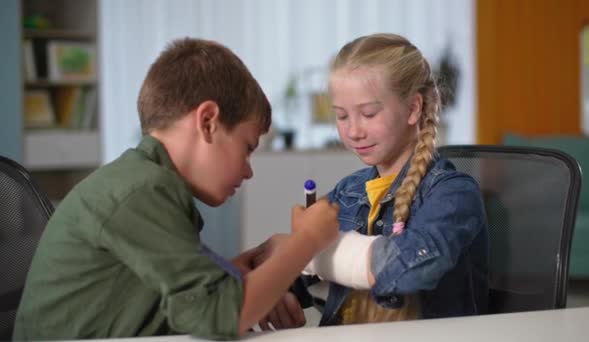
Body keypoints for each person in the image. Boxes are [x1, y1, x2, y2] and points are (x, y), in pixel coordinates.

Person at [13, 37, 339, 340]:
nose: (248, 170)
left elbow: (181, 299)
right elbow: (217, 314)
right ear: (208, 121)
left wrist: (249, 277)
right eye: (247, 147)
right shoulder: (141, 190)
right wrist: (307, 241)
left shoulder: (146, 181)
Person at [296, 33, 488, 325]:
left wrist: (316, 252)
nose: (353, 131)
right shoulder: (349, 192)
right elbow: (302, 263)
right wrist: (285, 287)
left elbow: (409, 265)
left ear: (413, 109)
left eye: (369, 113)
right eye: (342, 116)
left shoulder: (454, 194)